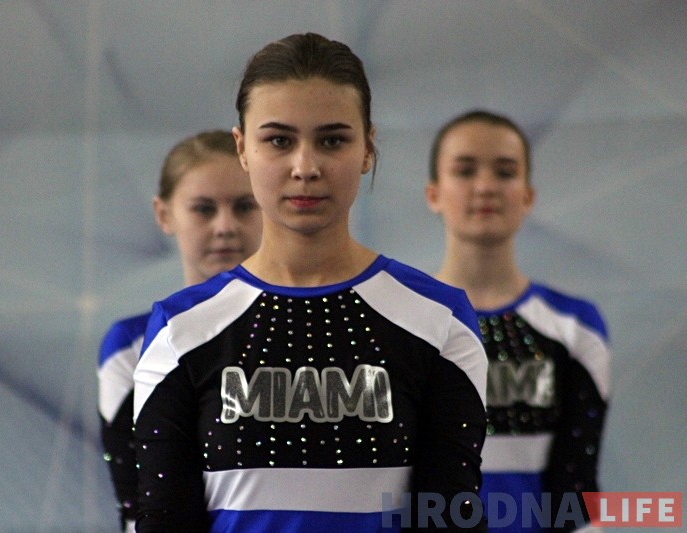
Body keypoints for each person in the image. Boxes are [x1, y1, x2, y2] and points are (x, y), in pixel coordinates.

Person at [133, 33, 488, 532]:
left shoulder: (440, 322)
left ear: (368, 147)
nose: (305, 167)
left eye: (332, 140)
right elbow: (164, 521)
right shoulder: (180, 329)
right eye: (278, 140)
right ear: (242, 148)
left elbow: (451, 518)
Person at [425, 109, 611, 532]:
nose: (486, 186)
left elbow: (578, 483)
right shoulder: (403, 323)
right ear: (433, 193)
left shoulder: (575, 327)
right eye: (465, 170)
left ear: (527, 195)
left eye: (505, 172)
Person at [97, 130, 262, 532]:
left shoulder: (309, 333)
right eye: (203, 209)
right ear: (164, 214)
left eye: (244, 207)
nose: (225, 226)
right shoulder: (132, 347)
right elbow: (139, 503)